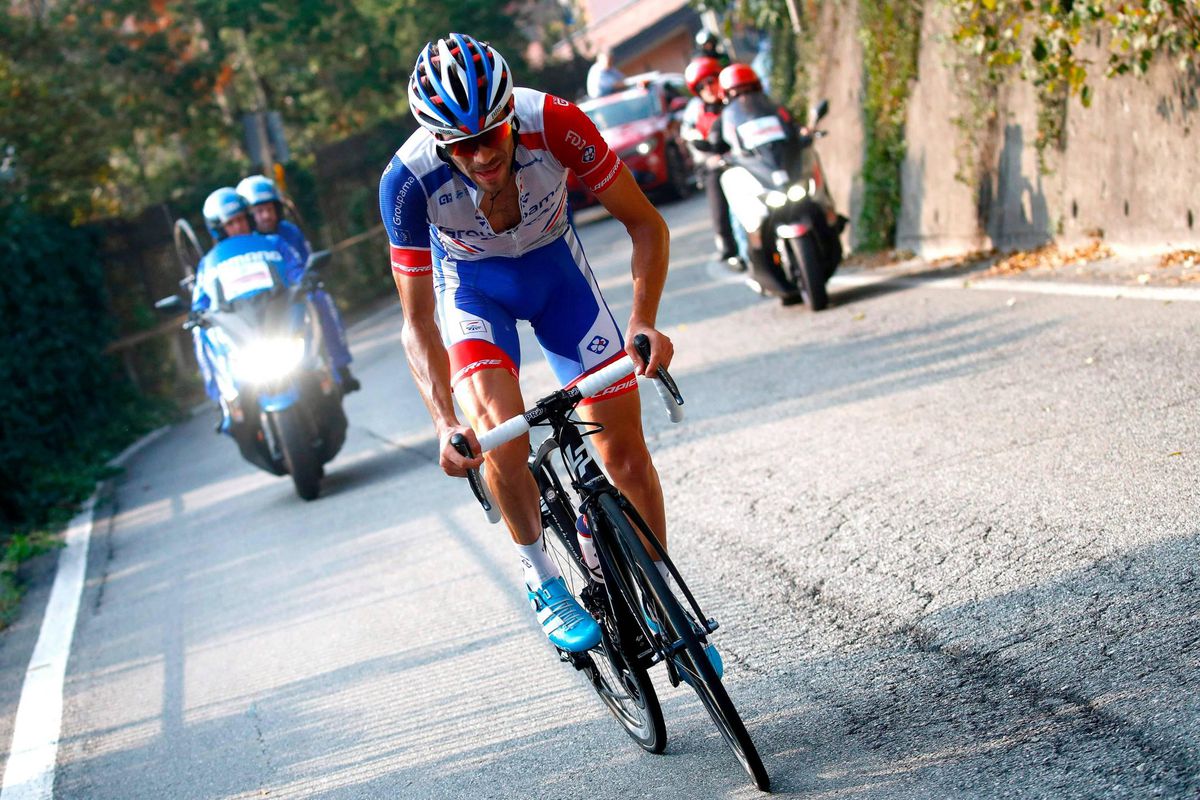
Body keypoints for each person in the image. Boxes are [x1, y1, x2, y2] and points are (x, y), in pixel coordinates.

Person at [380, 32, 718, 673]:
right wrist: (443, 423)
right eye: (461, 145)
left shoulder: (554, 122)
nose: (480, 155)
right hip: (475, 293)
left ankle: (660, 597)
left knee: (624, 452)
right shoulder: (407, 180)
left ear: (510, 116)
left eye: (491, 137)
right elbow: (418, 321)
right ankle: (541, 577)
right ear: (437, 142)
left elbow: (646, 222)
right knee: (500, 438)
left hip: (559, 276)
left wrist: (644, 323)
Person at [193, 188, 306, 467]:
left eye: (242, 219)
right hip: (242, 336)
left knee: (317, 302)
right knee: (199, 334)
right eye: (231, 223)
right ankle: (224, 401)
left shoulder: (273, 245)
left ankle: (333, 370)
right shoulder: (209, 264)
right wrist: (197, 313)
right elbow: (201, 301)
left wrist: (306, 279)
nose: (239, 226)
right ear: (219, 230)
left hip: (276, 325)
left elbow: (296, 272)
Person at [235, 175, 360, 393]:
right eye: (258, 211)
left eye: (269, 208)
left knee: (320, 298)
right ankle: (236, 399)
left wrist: (306, 281)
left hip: (293, 295)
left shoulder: (289, 232)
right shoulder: (244, 245)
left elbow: (304, 264)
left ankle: (340, 366)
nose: (265, 215)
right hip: (261, 305)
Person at [681, 56, 738, 269]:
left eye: (711, 81)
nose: (709, 88)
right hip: (712, 162)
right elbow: (688, 134)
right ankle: (726, 243)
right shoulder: (695, 110)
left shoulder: (735, 100)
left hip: (743, 158)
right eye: (702, 86)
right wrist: (699, 143)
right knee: (717, 195)